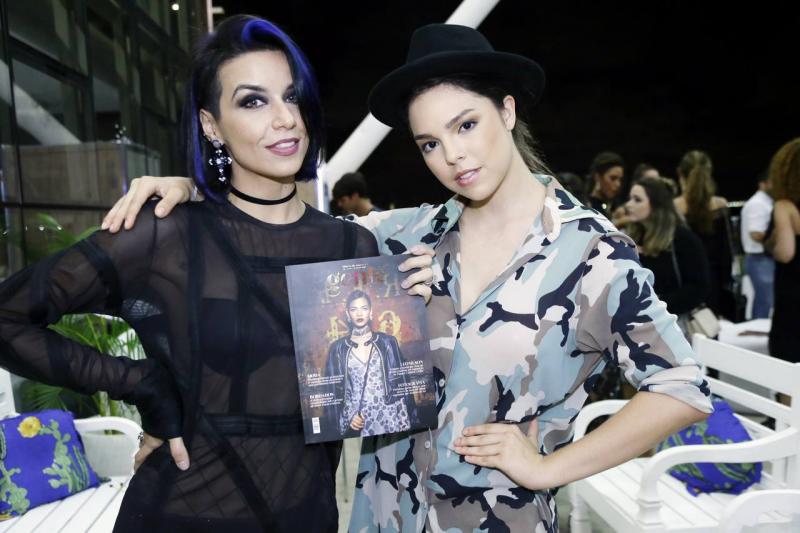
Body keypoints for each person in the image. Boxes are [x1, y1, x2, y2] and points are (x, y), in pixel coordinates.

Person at [103, 24, 712, 533]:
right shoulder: (400, 235)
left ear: (507, 110)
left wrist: (549, 468)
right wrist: (196, 194)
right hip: (383, 517)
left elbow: (681, 387)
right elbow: (277, 233)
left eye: (466, 125)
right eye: (429, 143)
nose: (453, 156)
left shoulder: (591, 253)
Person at [0, 16, 434, 533]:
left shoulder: (351, 248)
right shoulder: (166, 235)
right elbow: (9, 317)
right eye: (253, 101)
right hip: (181, 513)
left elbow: (370, 396)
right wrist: (143, 384)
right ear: (211, 125)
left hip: (308, 517)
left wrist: (419, 310)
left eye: (292, 97)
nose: (285, 119)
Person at [326, 289, 410, 436]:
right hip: (359, 418)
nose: (359, 313)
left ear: (371, 312)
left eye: (364, 308)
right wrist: (349, 415)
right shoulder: (337, 349)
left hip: (389, 414)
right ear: (348, 314)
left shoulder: (388, 342)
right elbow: (334, 391)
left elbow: (400, 383)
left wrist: (405, 420)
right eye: (354, 309)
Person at [625, 176, 711, 318]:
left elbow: (699, 287)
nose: (629, 205)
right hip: (641, 321)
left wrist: (656, 305)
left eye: (637, 200)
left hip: (676, 321)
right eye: (630, 199)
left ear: (656, 204)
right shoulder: (632, 238)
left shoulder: (682, 239)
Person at [673, 150, 735, 319]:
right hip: (713, 280)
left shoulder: (674, 207)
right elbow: (726, 253)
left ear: (680, 173)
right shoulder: (720, 205)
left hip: (685, 283)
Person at [764, 138, 800, 375]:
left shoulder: (785, 206)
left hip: (793, 299)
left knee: (788, 370)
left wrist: (771, 245)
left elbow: (786, 253)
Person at [740, 172, 774, 318]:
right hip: (760, 258)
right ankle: (760, 329)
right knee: (765, 302)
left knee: (764, 301)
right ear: (763, 183)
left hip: (763, 259)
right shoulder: (758, 203)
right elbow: (756, 233)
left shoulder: (766, 202)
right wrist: (779, 239)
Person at [587, 151, 625, 218]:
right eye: (613, 178)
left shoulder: (617, 207)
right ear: (597, 177)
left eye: (620, 179)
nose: (618, 184)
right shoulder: (585, 207)